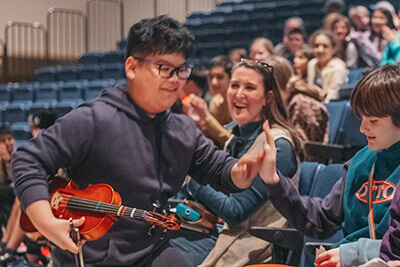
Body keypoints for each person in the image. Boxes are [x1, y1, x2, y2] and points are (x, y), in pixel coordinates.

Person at [11, 15, 270, 267]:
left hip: (152, 251)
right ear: (132, 67)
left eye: (180, 70)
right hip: (91, 256)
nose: (175, 80)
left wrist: (244, 170)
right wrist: (45, 220)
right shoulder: (94, 119)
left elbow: (222, 170)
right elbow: (28, 159)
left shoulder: (182, 129)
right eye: (164, 69)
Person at [258, 64, 400, 266]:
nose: (362, 128)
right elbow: (321, 221)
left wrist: (350, 254)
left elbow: (395, 249)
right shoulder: (361, 161)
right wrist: (274, 181)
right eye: (361, 118)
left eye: (374, 120)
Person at [172, 59, 303, 267]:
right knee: (148, 243)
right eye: (235, 86)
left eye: (250, 88)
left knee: (161, 257)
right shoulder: (236, 138)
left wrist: (189, 177)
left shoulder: (278, 146)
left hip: (255, 245)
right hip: (222, 235)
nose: (239, 94)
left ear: (267, 98)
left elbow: (235, 212)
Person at [183, 56, 233, 149]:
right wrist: (198, 122)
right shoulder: (216, 101)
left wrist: (205, 115)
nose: (214, 82)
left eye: (220, 77)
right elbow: (213, 137)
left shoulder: (239, 103)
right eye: (211, 77)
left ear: (230, 79)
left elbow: (231, 140)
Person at [307, 29, 348, 102]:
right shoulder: (312, 64)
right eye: (316, 46)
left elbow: (333, 96)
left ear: (333, 49)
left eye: (325, 46)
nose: (320, 50)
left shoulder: (338, 67)